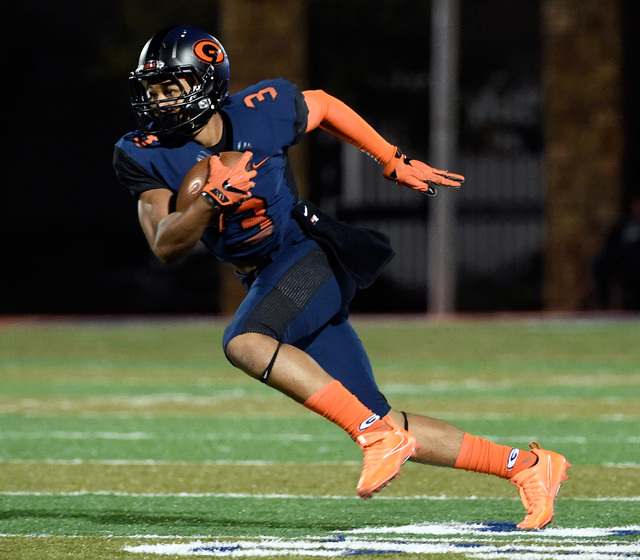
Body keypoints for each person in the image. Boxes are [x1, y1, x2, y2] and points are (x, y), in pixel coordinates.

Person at [113, 25, 570, 530]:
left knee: (246, 342)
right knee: (384, 418)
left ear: (207, 81)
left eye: (171, 88)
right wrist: (207, 201)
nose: (159, 101)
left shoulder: (259, 109)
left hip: (311, 254)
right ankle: (528, 466)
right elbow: (165, 244)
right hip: (268, 278)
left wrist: (390, 157)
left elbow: (324, 105)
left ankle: (375, 439)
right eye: (152, 90)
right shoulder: (142, 150)